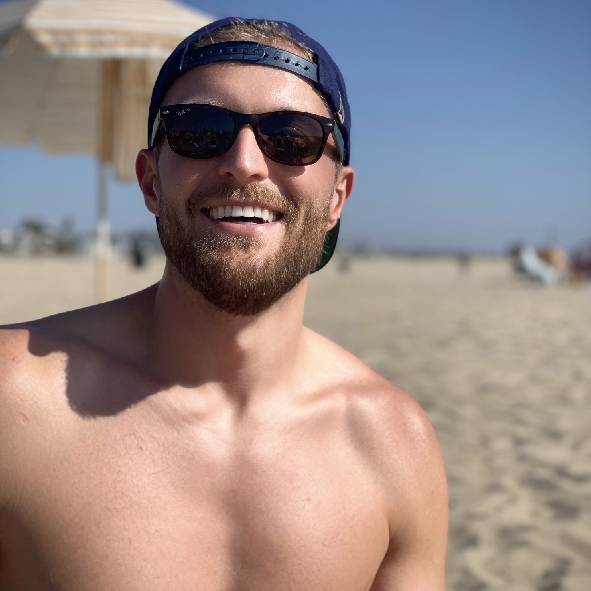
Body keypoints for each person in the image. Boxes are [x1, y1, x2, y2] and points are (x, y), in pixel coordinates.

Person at [0, 17, 448, 590]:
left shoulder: (393, 444)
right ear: (150, 181)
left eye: (292, 138)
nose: (245, 162)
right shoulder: (15, 403)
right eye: (199, 130)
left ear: (338, 196)